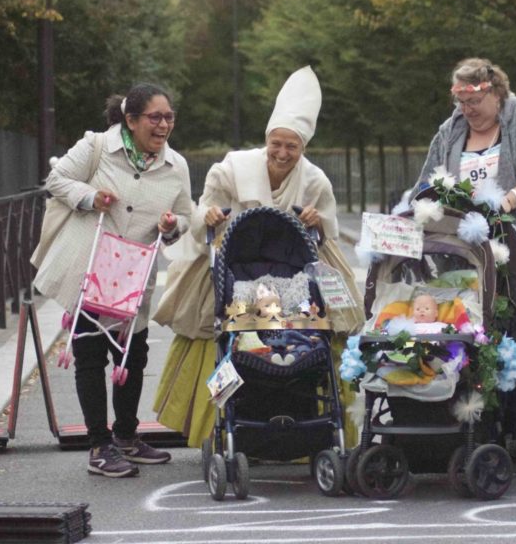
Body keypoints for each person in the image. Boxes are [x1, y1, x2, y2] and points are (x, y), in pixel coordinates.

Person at [152, 66, 365, 449]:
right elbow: (203, 210)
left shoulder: (315, 180)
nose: (283, 153)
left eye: (292, 147)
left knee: (324, 321)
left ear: (303, 148)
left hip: (295, 268)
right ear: (267, 141)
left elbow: (327, 228)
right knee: (213, 327)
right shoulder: (233, 167)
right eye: (276, 144)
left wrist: (317, 221)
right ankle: (221, 424)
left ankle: (313, 423)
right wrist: (212, 216)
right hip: (235, 260)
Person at [34, 83, 192, 477]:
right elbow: (56, 181)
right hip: (92, 266)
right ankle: (99, 445)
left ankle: (126, 437)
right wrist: (90, 197)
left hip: (135, 273)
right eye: (154, 117)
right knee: (90, 355)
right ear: (131, 120)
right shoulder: (97, 147)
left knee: (132, 355)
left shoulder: (177, 166)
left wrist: (173, 225)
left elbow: (187, 215)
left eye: (169, 117)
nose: (163, 125)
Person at [416, 57, 516, 439]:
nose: (468, 111)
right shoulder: (450, 132)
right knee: (471, 324)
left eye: (475, 103)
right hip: (463, 249)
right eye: (461, 103)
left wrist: (508, 201)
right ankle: (476, 425)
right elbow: (428, 183)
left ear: (496, 94)